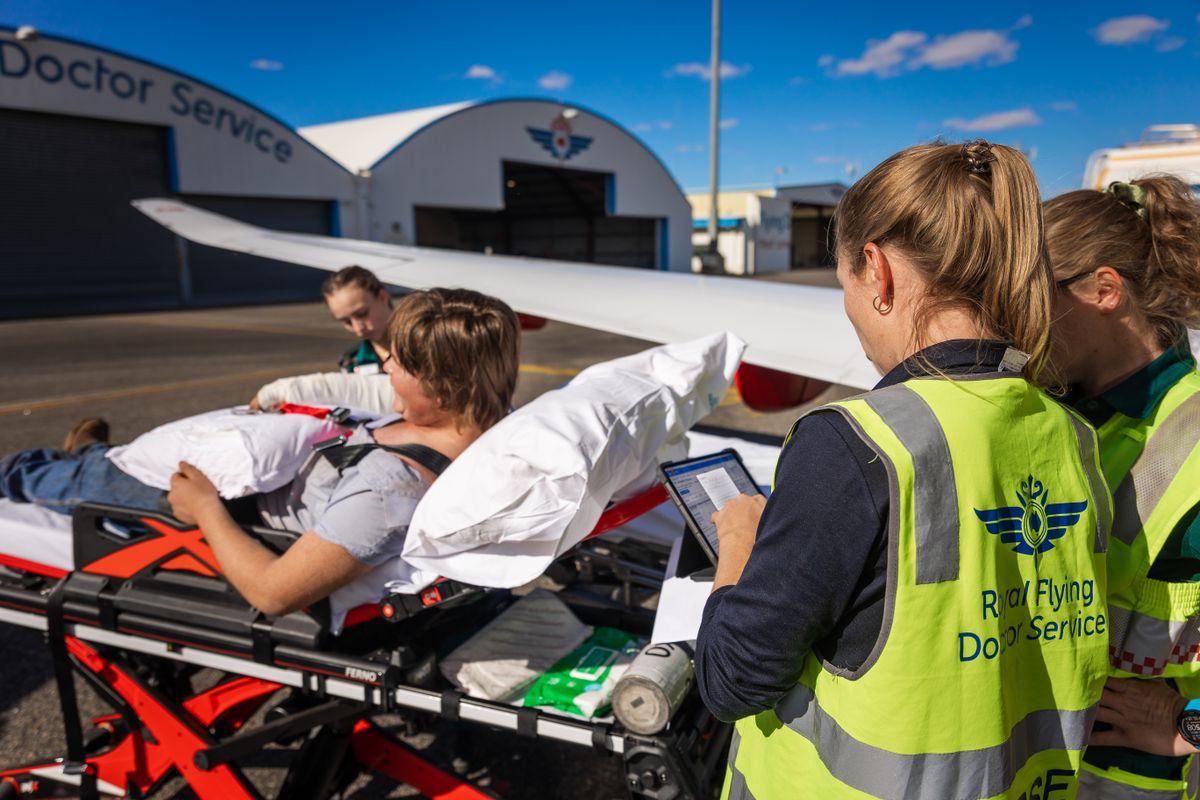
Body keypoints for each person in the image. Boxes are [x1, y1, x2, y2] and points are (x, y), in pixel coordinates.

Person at [694, 140, 1112, 799]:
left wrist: (740, 541)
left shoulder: (854, 443)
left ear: (877, 271)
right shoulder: (1074, 435)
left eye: (846, 287)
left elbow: (733, 681)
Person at [0, 289, 520, 625]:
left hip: (231, 505)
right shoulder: (488, 426)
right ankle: (90, 451)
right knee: (110, 457)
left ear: (441, 388)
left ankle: (55, 464)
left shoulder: (389, 491)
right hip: (274, 465)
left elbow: (273, 594)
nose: (387, 369)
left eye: (400, 363)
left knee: (69, 475)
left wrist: (204, 508)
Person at [1043, 176, 1200, 797]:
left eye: (1028, 300)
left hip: (1131, 782)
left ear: (1105, 291)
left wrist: (1187, 724)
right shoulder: (1050, 409)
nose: (1009, 326)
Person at [249, 265, 397, 414]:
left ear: (382, 297)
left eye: (362, 314)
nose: (358, 328)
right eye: (346, 321)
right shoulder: (351, 361)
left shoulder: (413, 347)